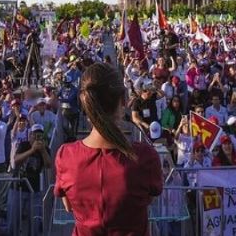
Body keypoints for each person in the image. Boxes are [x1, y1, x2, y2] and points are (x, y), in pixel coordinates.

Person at [55, 62, 163, 235]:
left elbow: (68, 206)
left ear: (85, 102)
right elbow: (147, 199)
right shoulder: (145, 157)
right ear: (123, 100)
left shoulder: (66, 156)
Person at [10, 124, 52, 236]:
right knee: (13, 221)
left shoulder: (45, 148)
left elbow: (48, 165)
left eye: (39, 135)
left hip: (34, 190)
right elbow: (16, 160)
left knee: (34, 223)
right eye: (35, 135)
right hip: (17, 188)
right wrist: (32, 150)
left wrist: (42, 151)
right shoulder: (23, 145)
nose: (37, 138)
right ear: (30, 135)